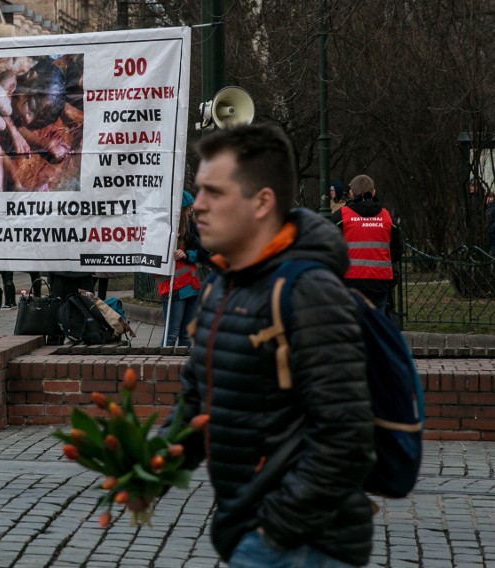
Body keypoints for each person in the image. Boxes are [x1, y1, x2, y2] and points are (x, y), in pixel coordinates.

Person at [165, 124, 374, 567]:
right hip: (252, 532)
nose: (197, 205)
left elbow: (347, 438)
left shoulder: (309, 291)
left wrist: (272, 529)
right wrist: (149, 463)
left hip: (300, 547)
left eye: (214, 193)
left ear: (262, 202)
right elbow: (197, 401)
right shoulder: (224, 284)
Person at [331, 174, 403, 314]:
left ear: (351, 193)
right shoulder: (386, 217)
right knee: (376, 326)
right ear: (373, 192)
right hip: (378, 283)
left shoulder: (341, 216)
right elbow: (397, 250)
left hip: (349, 282)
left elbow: (329, 246)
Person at [155, 191, 205, 347]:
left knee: (186, 335)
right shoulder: (162, 229)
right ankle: (161, 368)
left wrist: (187, 254)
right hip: (173, 288)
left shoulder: (190, 229)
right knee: (172, 334)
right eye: (189, 208)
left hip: (191, 286)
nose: (191, 211)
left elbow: (204, 252)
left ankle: (181, 368)